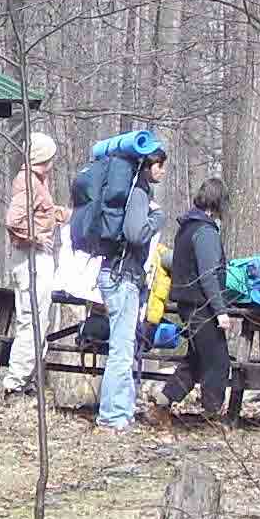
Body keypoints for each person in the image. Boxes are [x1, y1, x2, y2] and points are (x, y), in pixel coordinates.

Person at [94, 140, 167, 432]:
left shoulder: (134, 191)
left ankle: (121, 413)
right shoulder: (138, 193)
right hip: (122, 278)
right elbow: (134, 233)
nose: (162, 172)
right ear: (149, 166)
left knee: (122, 349)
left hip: (117, 274)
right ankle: (112, 417)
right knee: (121, 351)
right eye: (160, 166)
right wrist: (156, 219)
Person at [157, 175, 235, 422]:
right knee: (218, 361)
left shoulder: (187, 226)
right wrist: (220, 310)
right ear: (218, 203)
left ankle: (164, 400)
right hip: (201, 305)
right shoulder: (205, 231)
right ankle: (212, 414)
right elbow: (208, 275)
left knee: (197, 358)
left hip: (186, 303)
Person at [0, 131, 64, 398]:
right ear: (43, 158)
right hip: (30, 259)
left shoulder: (36, 183)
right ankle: (15, 384)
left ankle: (26, 381)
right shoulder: (27, 183)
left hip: (33, 258)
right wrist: (36, 238)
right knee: (32, 321)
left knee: (38, 320)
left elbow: (42, 212)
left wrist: (65, 215)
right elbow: (14, 220)